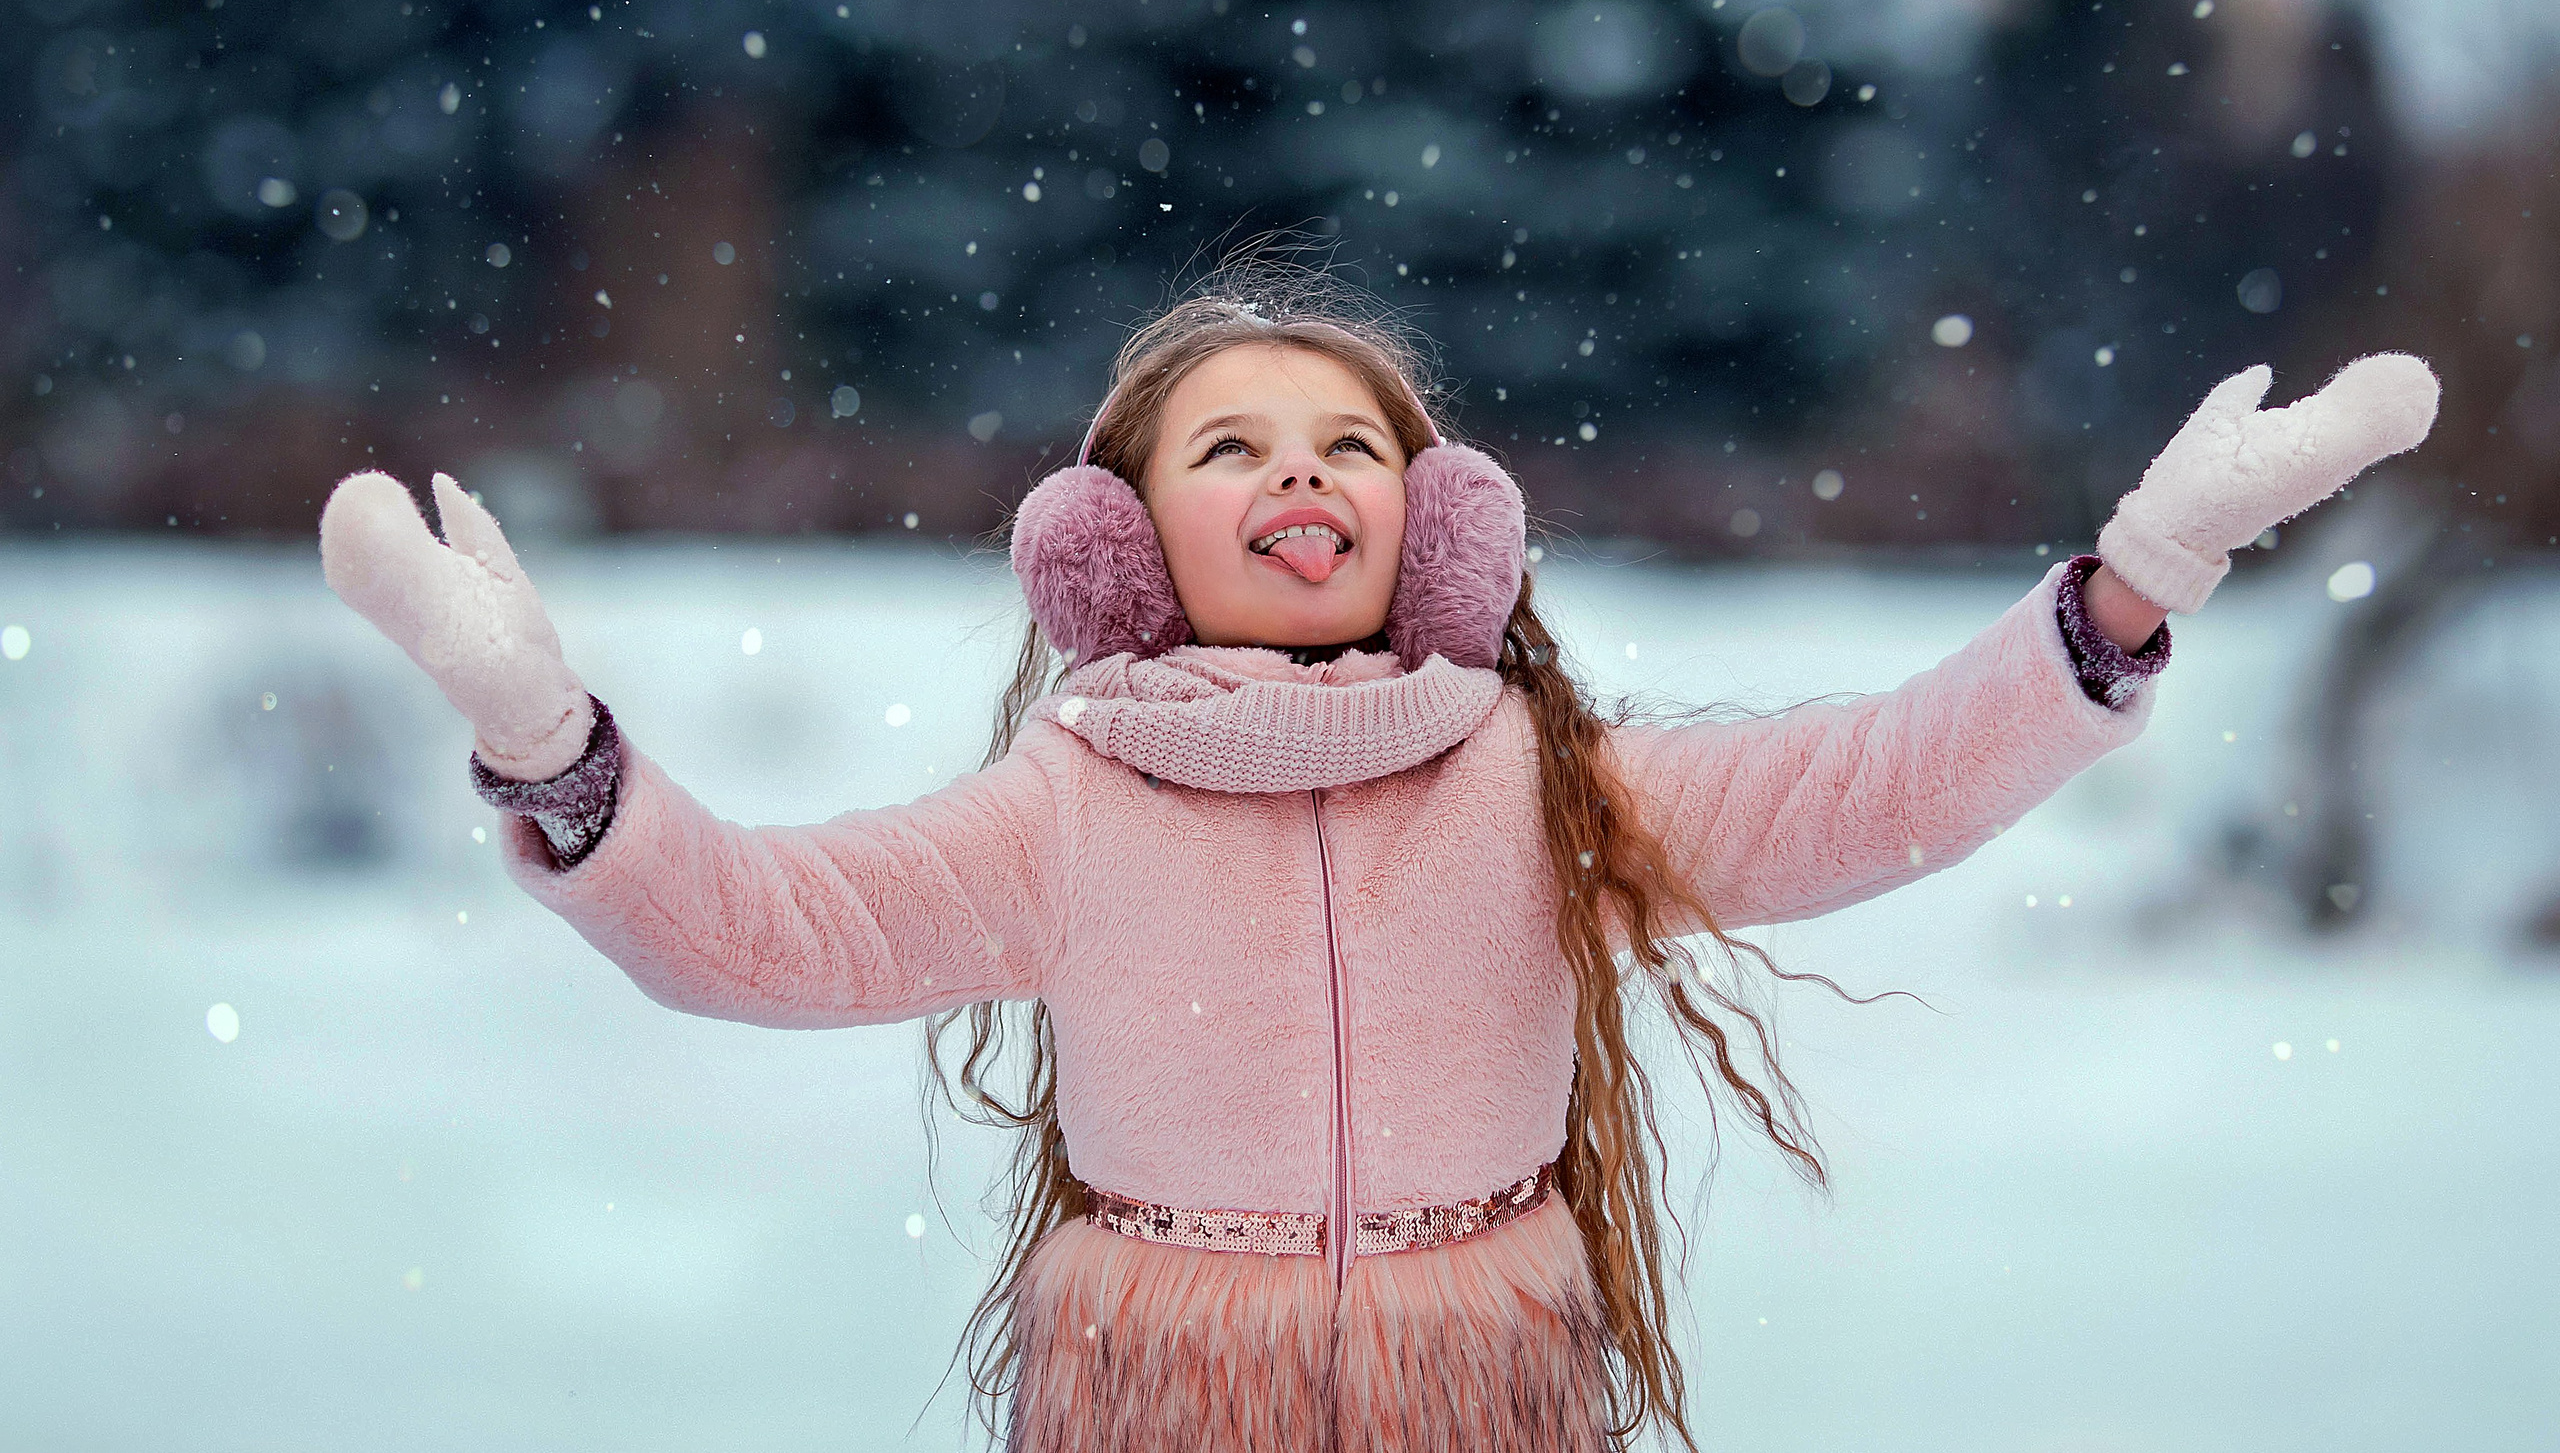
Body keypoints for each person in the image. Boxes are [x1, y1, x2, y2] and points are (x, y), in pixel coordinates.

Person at [316, 275, 2438, 1452]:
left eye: (1346, 442)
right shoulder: (1071, 802)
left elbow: (1864, 783)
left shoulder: (1532, 778)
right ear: (1118, 540)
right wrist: (547, 740)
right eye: (1227, 444)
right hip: (1164, 1409)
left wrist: (2133, 578)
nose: (1299, 473)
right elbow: (757, 931)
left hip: (1486, 1394)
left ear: (1438, 531)